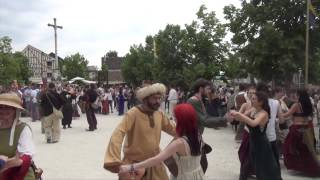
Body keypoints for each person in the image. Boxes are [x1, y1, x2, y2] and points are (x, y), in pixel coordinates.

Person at [103, 83, 176, 180]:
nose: (158, 101)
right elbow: (119, 133)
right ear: (145, 99)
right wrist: (113, 158)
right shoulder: (133, 113)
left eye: (159, 98)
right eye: (154, 98)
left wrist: (190, 134)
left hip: (155, 163)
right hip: (134, 167)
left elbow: (173, 129)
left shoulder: (159, 114)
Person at [119, 104, 205, 180]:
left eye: (175, 118)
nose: (173, 120)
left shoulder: (179, 143)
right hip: (198, 174)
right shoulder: (198, 135)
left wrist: (131, 167)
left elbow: (156, 160)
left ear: (181, 120)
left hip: (183, 177)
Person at [231, 92, 281, 180]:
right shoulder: (252, 110)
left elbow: (253, 123)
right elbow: (240, 117)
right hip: (253, 143)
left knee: (264, 170)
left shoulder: (264, 114)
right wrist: (234, 115)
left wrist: (239, 115)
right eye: (251, 98)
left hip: (262, 145)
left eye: (254, 99)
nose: (251, 100)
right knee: (247, 166)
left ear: (260, 102)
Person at [280, 89, 320, 176]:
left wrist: (278, 113)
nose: (295, 96)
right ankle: (311, 168)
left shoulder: (297, 105)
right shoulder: (309, 105)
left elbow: (287, 114)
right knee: (306, 149)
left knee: (289, 148)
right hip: (306, 128)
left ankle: (301, 167)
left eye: (296, 94)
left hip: (296, 128)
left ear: (299, 95)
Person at [0, 93, 36, 179]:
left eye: (8, 107)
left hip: (18, 174)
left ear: (15, 110)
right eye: (1, 107)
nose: (3, 110)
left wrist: (7, 162)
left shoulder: (23, 129)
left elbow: (25, 158)